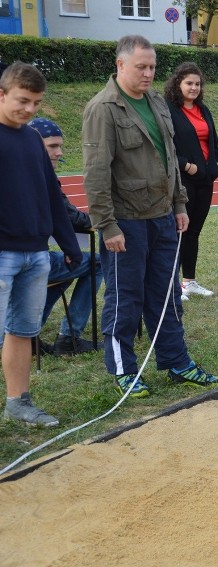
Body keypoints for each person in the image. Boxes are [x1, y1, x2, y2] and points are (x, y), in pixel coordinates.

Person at [83, 35, 218, 398]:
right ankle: (125, 370)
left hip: (162, 217)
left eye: (152, 67)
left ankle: (177, 361)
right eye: (141, 67)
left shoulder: (158, 103)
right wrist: (107, 226)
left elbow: (169, 160)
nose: (148, 73)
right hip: (125, 222)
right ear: (120, 65)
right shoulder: (103, 109)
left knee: (168, 295)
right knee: (125, 298)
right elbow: (96, 174)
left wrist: (179, 204)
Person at [0, 62, 82, 426]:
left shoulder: (32, 138)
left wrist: (68, 243)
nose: (30, 109)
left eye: (36, 102)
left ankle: (18, 402)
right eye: (22, 100)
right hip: (2, 253)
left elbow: (52, 194)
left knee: (22, 330)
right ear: (2, 94)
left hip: (35, 253)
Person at [28, 117, 103, 355]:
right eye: (52, 146)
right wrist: (104, 219)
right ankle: (69, 336)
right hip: (27, 260)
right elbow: (68, 217)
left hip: (22, 257)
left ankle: (30, 333)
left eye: (59, 146)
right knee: (95, 262)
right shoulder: (39, 175)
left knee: (69, 263)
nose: (59, 152)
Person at [164, 62, 218, 302]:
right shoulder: (169, 110)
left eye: (197, 84)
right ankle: (172, 284)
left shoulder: (203, 109)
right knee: (179, 231)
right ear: (178, 83)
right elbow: (165, 146)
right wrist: (186, 165)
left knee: (194, 232)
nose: (194, 88)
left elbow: (214, 140)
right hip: (183, 180)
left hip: (206, 179)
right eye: (189, 83)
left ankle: (189, 281)